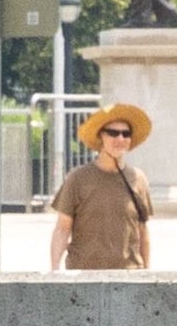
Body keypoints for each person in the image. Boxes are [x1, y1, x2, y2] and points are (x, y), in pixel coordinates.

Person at [50, 102, 155, 272]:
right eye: (113, 133)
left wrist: (147, 273)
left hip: (129, 275)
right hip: (84, 275)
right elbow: (62, 228)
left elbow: (143, 231)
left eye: (126, 134)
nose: (120, 139)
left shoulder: (138, 179)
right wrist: (54, 271)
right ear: (101, 137)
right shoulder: (77, 178)